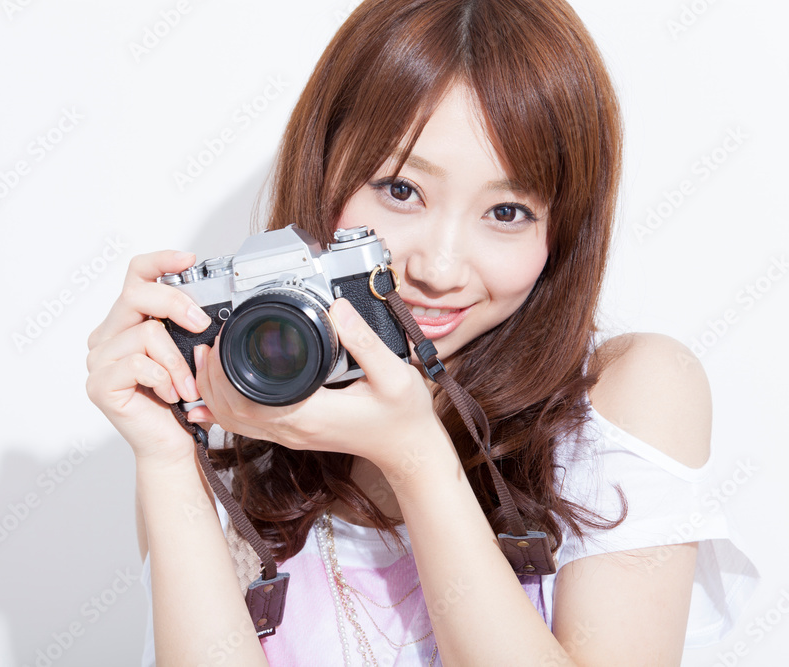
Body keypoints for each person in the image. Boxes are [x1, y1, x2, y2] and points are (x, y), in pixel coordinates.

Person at [86, 0, 757, 664]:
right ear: (323, 172)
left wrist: (414, 456)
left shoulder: (626, 399)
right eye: (402, 191)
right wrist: (167, 458)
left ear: (563, 231)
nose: (438, 269)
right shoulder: (235, 427)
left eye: (507, 211)